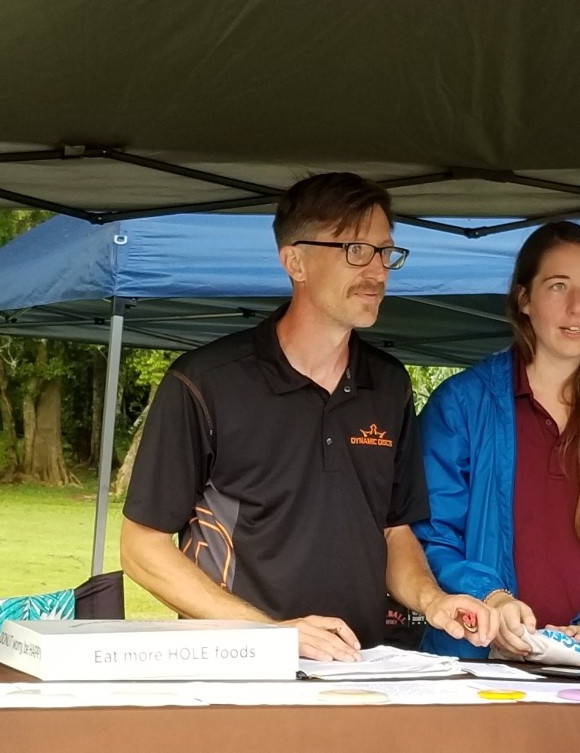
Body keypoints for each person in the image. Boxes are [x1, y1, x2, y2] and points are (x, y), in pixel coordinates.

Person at [120, 172, 497, 660]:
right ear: (294, 260)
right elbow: (141, 548)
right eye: (355, 250)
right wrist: (271, 636)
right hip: (241, 674)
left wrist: (435, 600)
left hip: (360, 671)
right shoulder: (205, 382)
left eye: (385, 252)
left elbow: (393, 530)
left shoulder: (388, 386)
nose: (377, 271)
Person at [413, 221, 580, 658]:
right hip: (477, 665)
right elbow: (431, 534)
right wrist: (491, 598)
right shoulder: (461, 404)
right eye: (558, 286)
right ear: (524, 299)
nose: (578, 307)